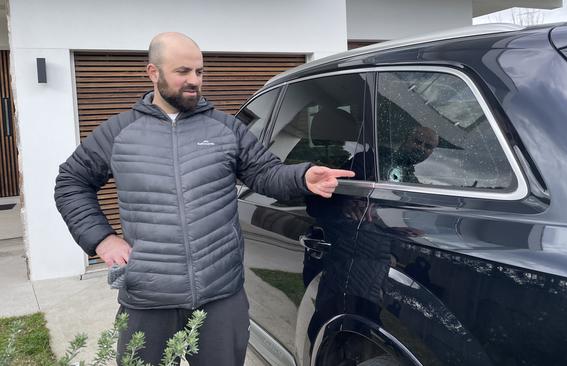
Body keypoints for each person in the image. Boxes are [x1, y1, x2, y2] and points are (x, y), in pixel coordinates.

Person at [53, 32, 354, 366]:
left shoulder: (226, 129)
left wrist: (302, 176)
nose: (194, 81)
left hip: (220, 297)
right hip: (149, 296)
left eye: (199, 72)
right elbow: (71, 182)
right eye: (183, 72)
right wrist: (103, 239)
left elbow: (265, 173)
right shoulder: (118, 133)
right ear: (153, 73)